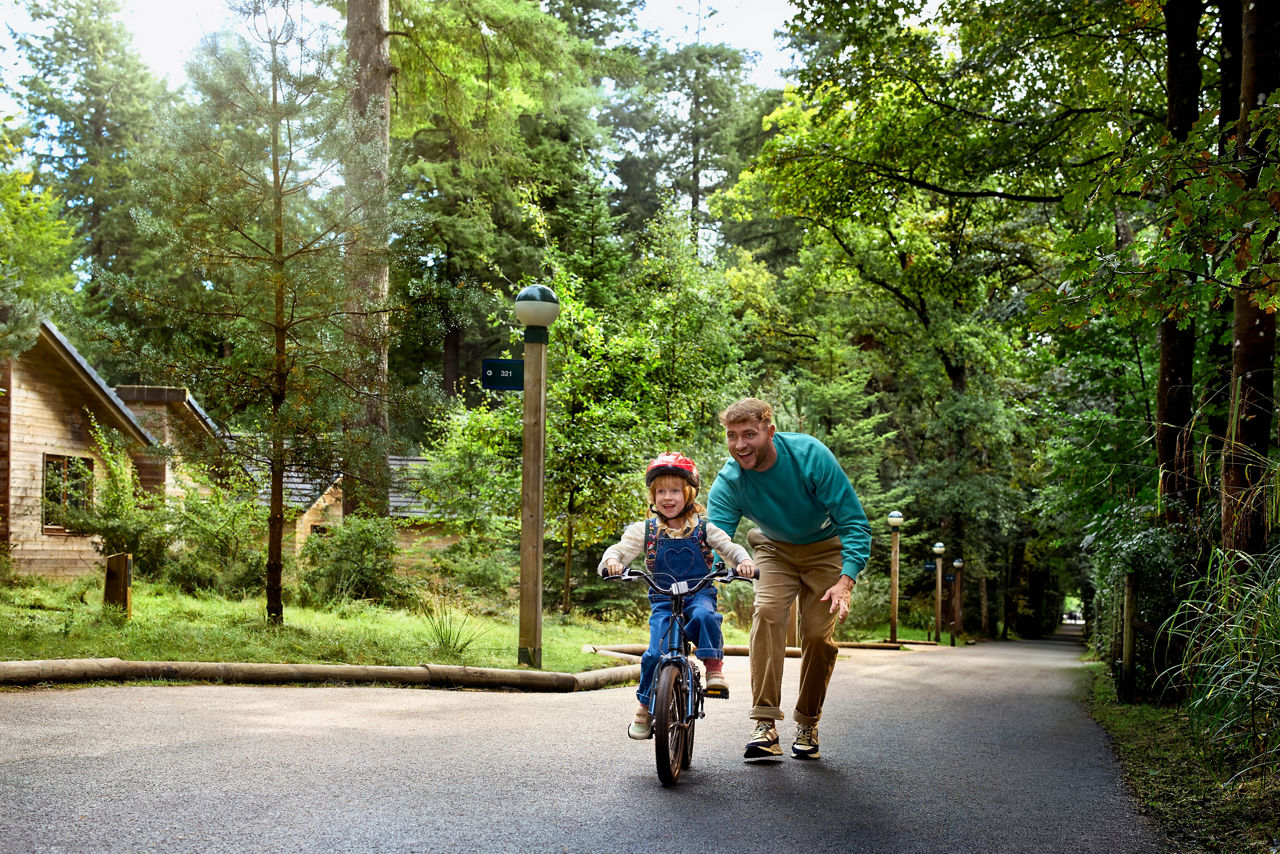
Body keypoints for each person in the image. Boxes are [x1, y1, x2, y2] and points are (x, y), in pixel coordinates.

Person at [705, 398, 872, 761]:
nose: (740, 445)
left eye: (749, 434)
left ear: (770, 431)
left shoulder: (809, 456)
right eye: (732, 436)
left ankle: (807, 721)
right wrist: (706, 573)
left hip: (827, 550)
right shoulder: (731, 479)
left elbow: (855, 523)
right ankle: (765, 723)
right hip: (774, 549)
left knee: (815, 634)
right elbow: (715, 538)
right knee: (767, 612)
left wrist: (846, 581)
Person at [599, 452, 756, 740]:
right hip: (663, 599)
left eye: (674, 490)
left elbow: (730, 548)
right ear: (653, 495)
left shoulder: (704, 528)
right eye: (660, 491)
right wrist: (612, 563)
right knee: (653, 654)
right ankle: (644, 706)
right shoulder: (644, 531)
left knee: (706, 615)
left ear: (689, 493)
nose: (667, 497)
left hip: (698, 594)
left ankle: (714, 669)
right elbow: (618, 550)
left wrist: (742, 562)